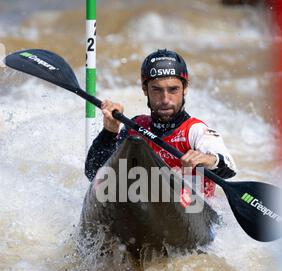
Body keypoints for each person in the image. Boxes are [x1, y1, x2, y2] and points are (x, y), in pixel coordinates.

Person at [85, 49, 236, 197]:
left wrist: (208, 160)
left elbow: (229, 168)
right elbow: (93, 174)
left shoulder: (196, 131)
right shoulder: (135, 128)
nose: (165, 99)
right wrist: (110, 131)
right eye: (157, 90)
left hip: (193, 211)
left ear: (185, 89)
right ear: (145, 89)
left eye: (173, 89)